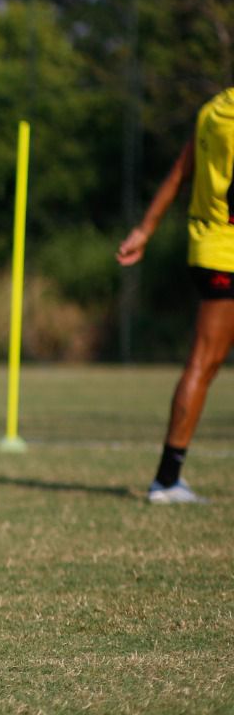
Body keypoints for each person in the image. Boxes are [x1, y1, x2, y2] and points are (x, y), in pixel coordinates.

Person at [116, 86, 234, 504]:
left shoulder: (214, 109)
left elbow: (181, 170)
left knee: (204, 364)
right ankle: (166, 482)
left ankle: (168, 479)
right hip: (228, 252)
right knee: (203, 363)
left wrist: (145, 229)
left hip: (207, 249)